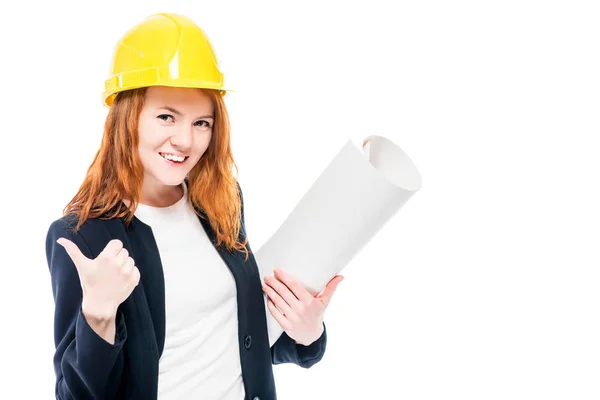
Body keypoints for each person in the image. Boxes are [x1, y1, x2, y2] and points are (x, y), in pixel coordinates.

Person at [45, 12, 344, 400]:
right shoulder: (82, 236)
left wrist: (306, 334)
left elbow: (239, 340)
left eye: (202, 123)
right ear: (127, 119)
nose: (186, 141)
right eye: (167, 116)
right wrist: (98, 314)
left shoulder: (221, 201)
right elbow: (78, 395)